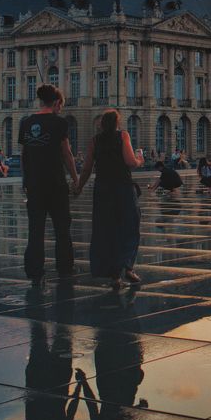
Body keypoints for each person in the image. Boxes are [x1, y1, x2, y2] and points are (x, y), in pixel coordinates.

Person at [75, 109, 143, 290]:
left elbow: (87, 168)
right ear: (117, 123)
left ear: (102, 124)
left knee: (107, 231)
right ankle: (128, 267)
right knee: (129, 227)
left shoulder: (95, 141)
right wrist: (139, 159)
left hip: (103, 190)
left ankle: (114, 277)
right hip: (122, 187)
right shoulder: (123, 136)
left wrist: (79, 186)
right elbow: (130, 162)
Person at [19, 84, 78, 283]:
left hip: (34, 185)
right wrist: (76, 179)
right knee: (62, 229)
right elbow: (67, 153)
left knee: (36, 230)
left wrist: (25, 180)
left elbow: (24, 155)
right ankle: (65, 268)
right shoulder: (59, 123)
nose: (61, 108)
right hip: (55, 184)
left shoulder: (26, 123)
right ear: (55, 103)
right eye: (60, 104)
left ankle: (35, 272)